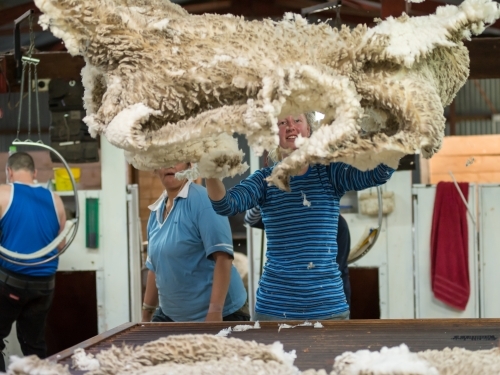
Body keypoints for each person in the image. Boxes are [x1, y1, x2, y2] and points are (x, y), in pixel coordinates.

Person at [206, 112, 394, 321]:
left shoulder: (330, 174)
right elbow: (225, 205)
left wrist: (396, 134)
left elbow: (380, 173)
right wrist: (208, 169)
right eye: (282, 122)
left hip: (328, 307)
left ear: (308, 130)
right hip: (275, 308)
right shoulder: (265, 180)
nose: (291, 127)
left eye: (297, 120)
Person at [142, 162, 249, 323]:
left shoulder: (202, 199)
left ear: (190, 165)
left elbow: (223, 257)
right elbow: (154, 268)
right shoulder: (156, 211)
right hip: (172, 316)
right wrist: (146, 314)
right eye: (164, 160)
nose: (170, 166)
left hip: (222, 313)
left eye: (176, 159)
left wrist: (215, 311)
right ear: (155, 168)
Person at [0, 152, 66, 372]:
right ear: (34, 173)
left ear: (9, 172)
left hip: (11, 283)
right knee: (34, 344)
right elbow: (60, 245)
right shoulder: (55, 199)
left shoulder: (3, 193)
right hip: (44, 286)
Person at [244, 206, 352, 307]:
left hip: (326, 298)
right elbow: (251, 220)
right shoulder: (289, 219)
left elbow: (330, 271)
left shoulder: (337, 224)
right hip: (288, 295)